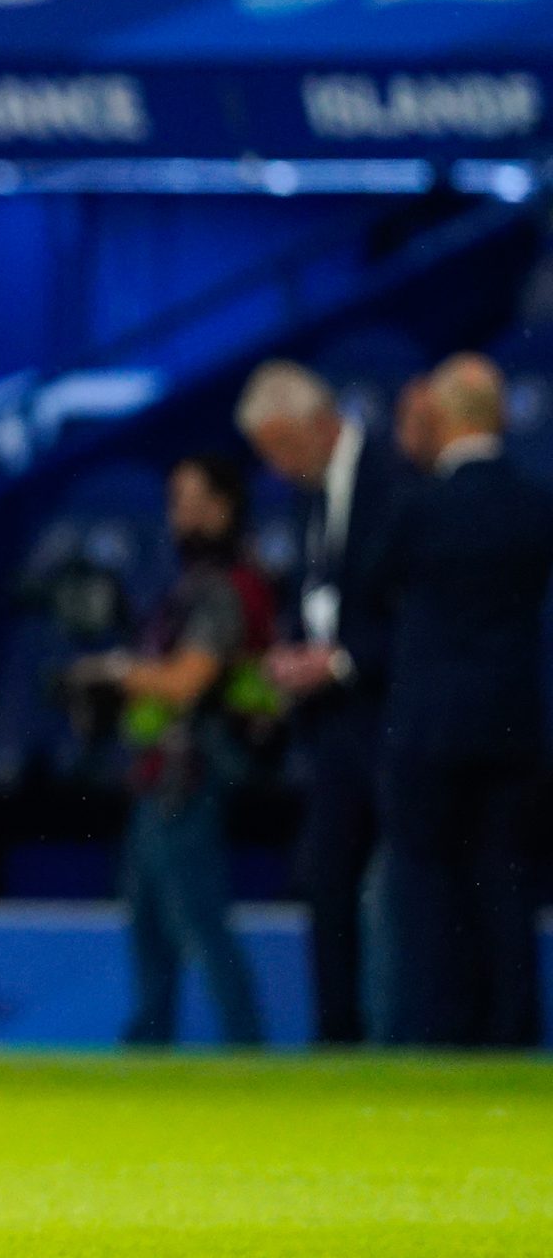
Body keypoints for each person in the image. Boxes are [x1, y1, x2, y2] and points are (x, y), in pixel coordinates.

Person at [365, 355, 553, 1047]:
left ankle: (439, 1030)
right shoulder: (535, 505)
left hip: (430, 725)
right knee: (506, 880)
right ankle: (512, 1029)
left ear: (438, 417)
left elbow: (371, 582)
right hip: (513, 723)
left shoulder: (420, 507)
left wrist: (410, 446)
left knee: (426, 882)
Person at [72, 454, 269, 1048]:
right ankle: (150, 1054)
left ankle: (245, 1049)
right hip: (158, 772)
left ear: (223, 507)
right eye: (173, 499)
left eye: (191, 499)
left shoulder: (226, 587)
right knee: (151, 928)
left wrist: (115, 673)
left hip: (193, 771)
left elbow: (188, 681)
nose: (177, 514)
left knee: (200, 925)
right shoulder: (188, 584)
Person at [238, 360, 404, 1045]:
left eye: (279, 447)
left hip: (395, 716)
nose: (275, 466)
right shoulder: (307, 495)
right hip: (332, 727)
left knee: (401, 890)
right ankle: (338, 1036)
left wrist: (337, 658)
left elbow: (412, 609)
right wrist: (295, 655)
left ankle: (414, 1035)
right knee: (326, 875)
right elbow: (321, 596)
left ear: (315, 423)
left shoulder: (394, 479)